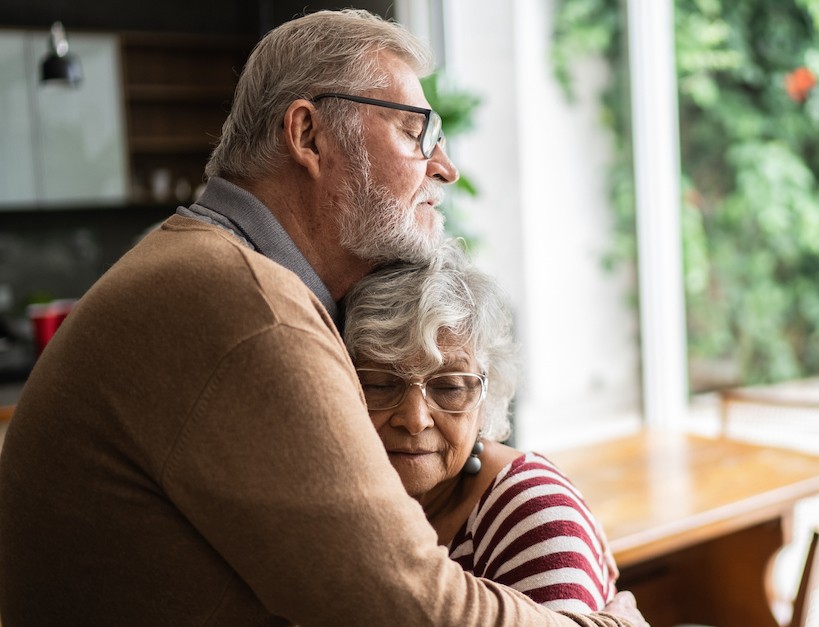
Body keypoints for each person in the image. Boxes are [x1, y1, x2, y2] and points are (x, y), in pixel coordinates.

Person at [0, 9, 644, 627]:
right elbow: (405, 606)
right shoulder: (246, 304)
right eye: (416, 130)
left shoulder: (207, 270)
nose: (444, 168)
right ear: (308, 135)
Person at [343, 239, 618, 613]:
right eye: (379, 384)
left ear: (486, 396)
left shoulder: (533, 514)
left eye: (450, 387)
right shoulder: (343, 498)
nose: (415, 419)